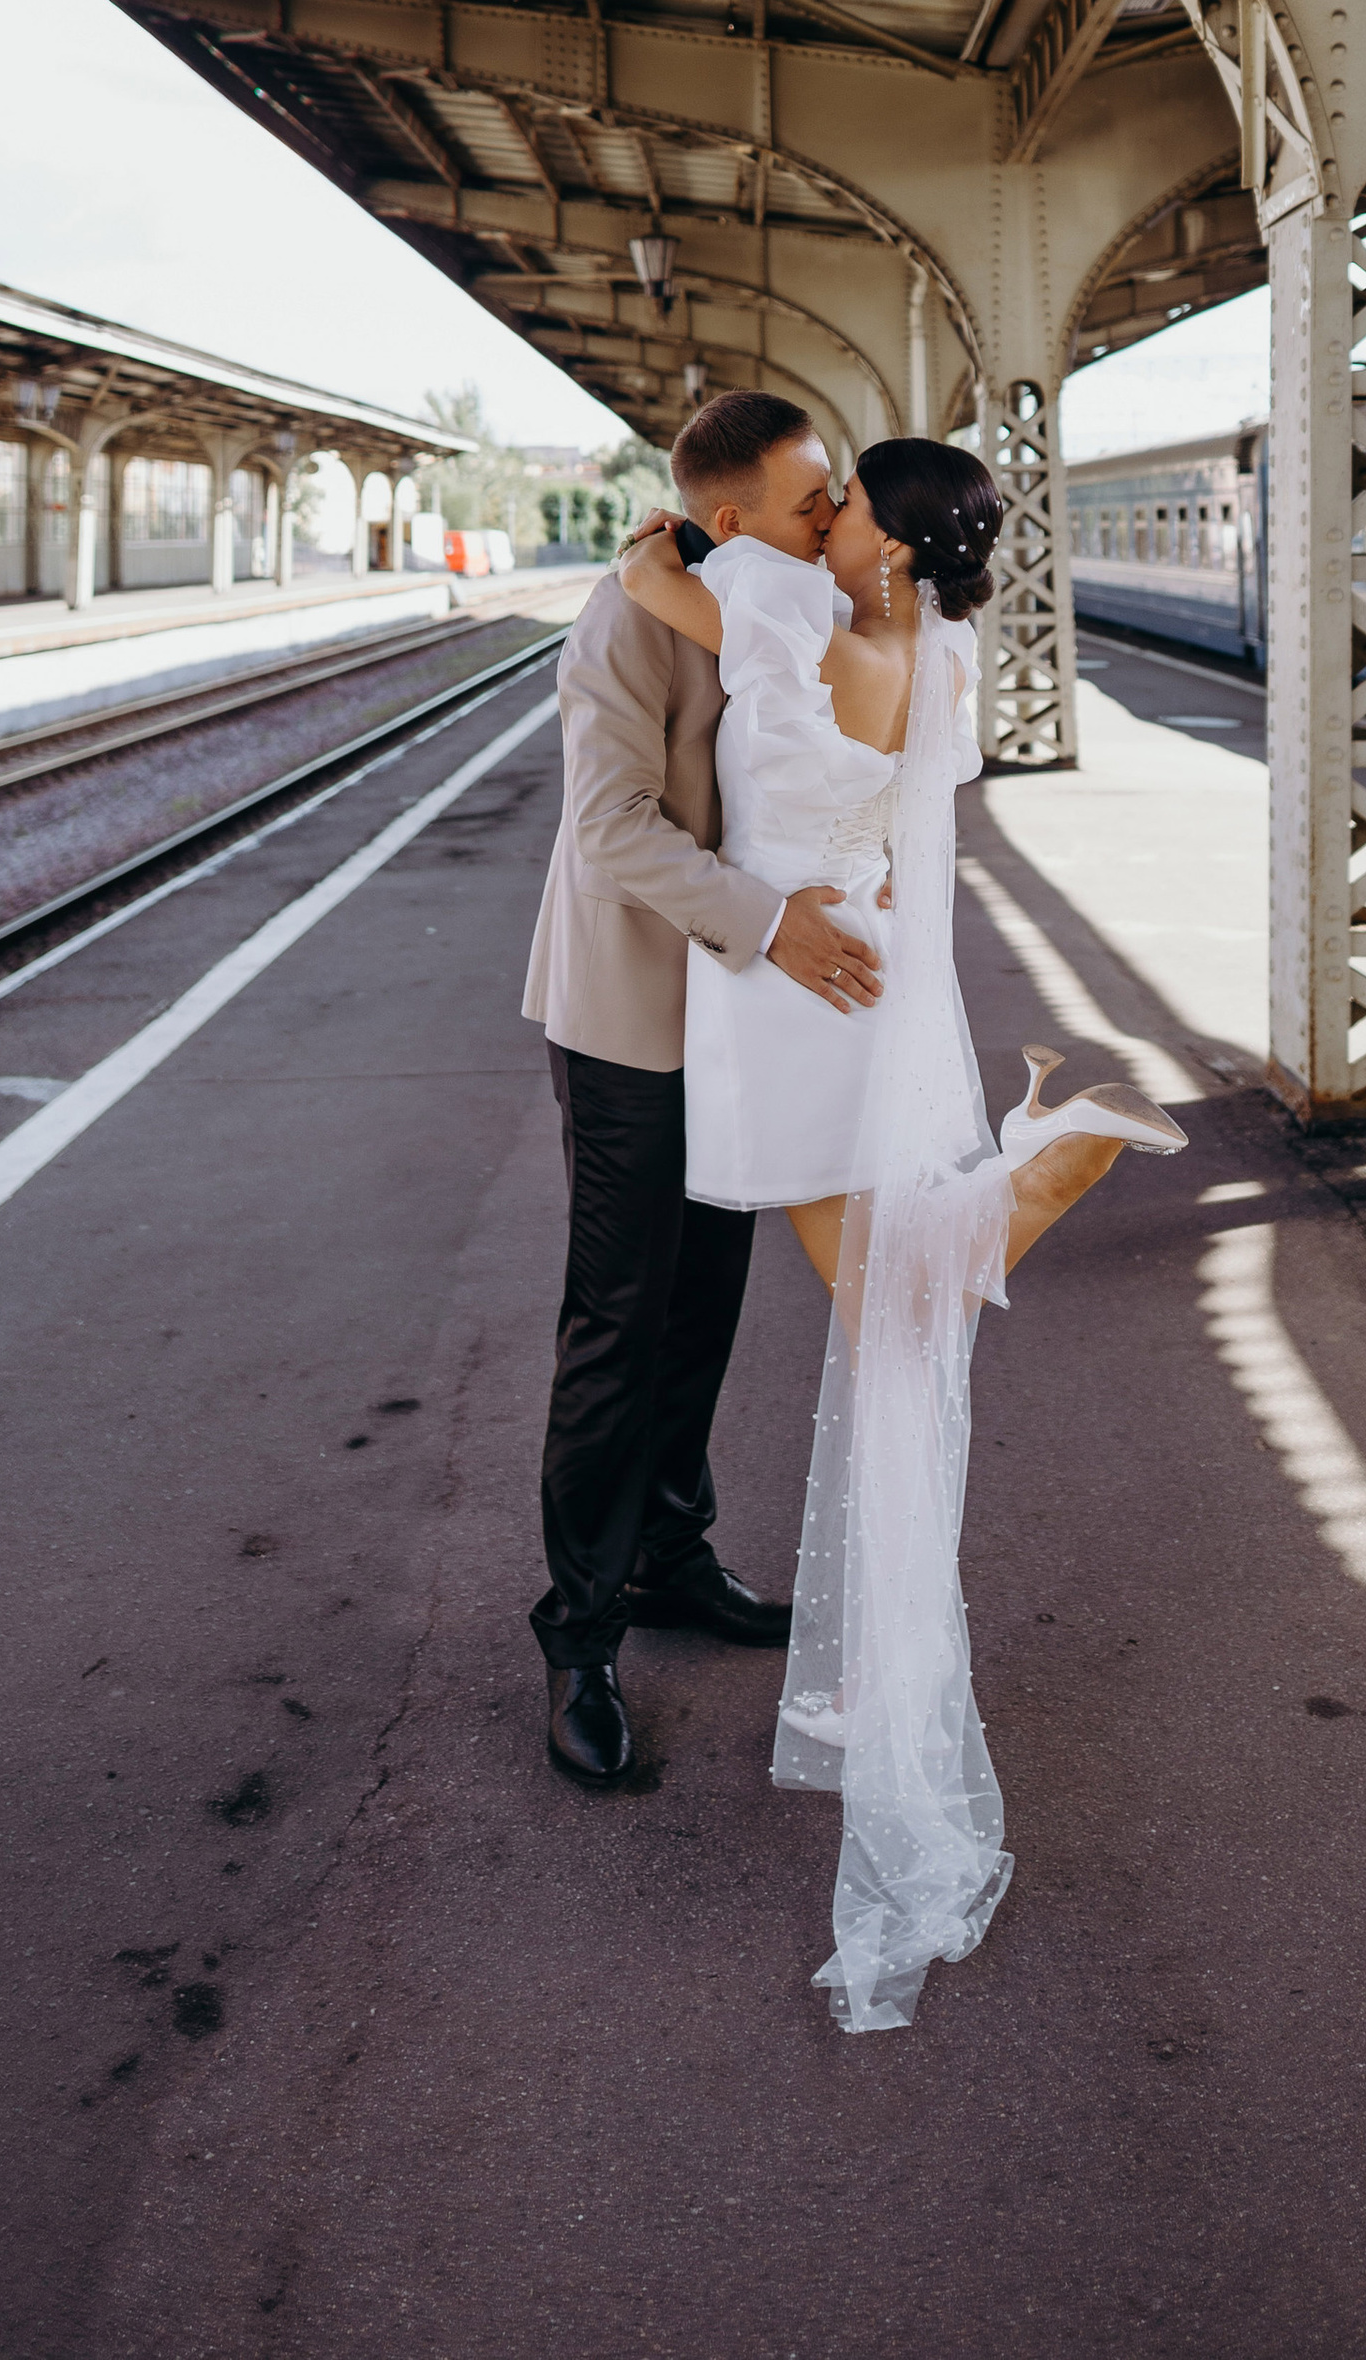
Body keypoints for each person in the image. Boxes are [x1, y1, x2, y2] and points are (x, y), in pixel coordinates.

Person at [615, 426, 1184, 2032]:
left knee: (886, 1325)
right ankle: (889, 1673)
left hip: (791, 992)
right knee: (890, 1336)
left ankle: (1028, 1183)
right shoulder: (933, 645)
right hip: (863, 958)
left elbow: (652, 574)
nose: (823, 510)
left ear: (875, 530)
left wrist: (690, 528)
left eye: (841, 497)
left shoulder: (797, 618)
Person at [519, 393, 897, 1791]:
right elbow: (611, 825)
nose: (833, 513)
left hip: (741, 1024)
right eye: (813, 500)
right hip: (632, 1015)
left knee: (706, 1307)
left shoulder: (777, 612)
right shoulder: (632, 619)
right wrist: (774, 922)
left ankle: (674, 1560)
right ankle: (579, 1635)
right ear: (729, 517)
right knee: (619, 1319)